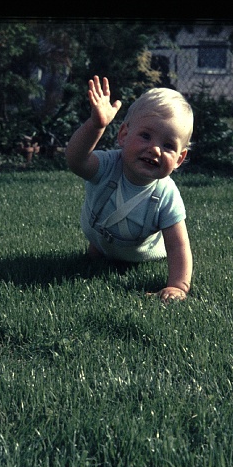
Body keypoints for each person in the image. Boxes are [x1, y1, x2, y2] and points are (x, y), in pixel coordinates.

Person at [66, 75, 193, 303]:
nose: (155, 149)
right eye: (145, 136)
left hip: (138, 253)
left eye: (168, 145)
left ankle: (104, 254)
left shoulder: (166, 195)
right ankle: (98, 252)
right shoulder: (107, 165)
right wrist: (96, 126)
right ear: (124, 135)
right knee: (96, 257)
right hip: (99, 237)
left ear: (179, 159)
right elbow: (76, 160)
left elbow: (177, 245)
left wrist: (177, 286)